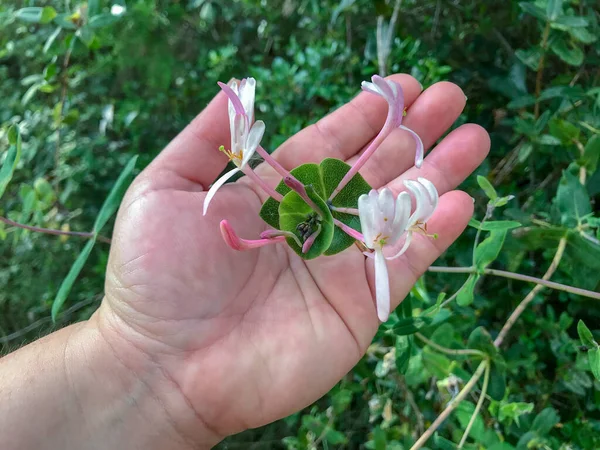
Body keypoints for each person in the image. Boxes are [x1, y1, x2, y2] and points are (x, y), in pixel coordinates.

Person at [0, 73, 489, 449]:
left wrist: (131, 360)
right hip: (329, 213)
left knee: (389, 154)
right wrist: (132, 354)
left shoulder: (369, 227)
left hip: (341, 213)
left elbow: (351, 220)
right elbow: (322, 215)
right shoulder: (325, 211)